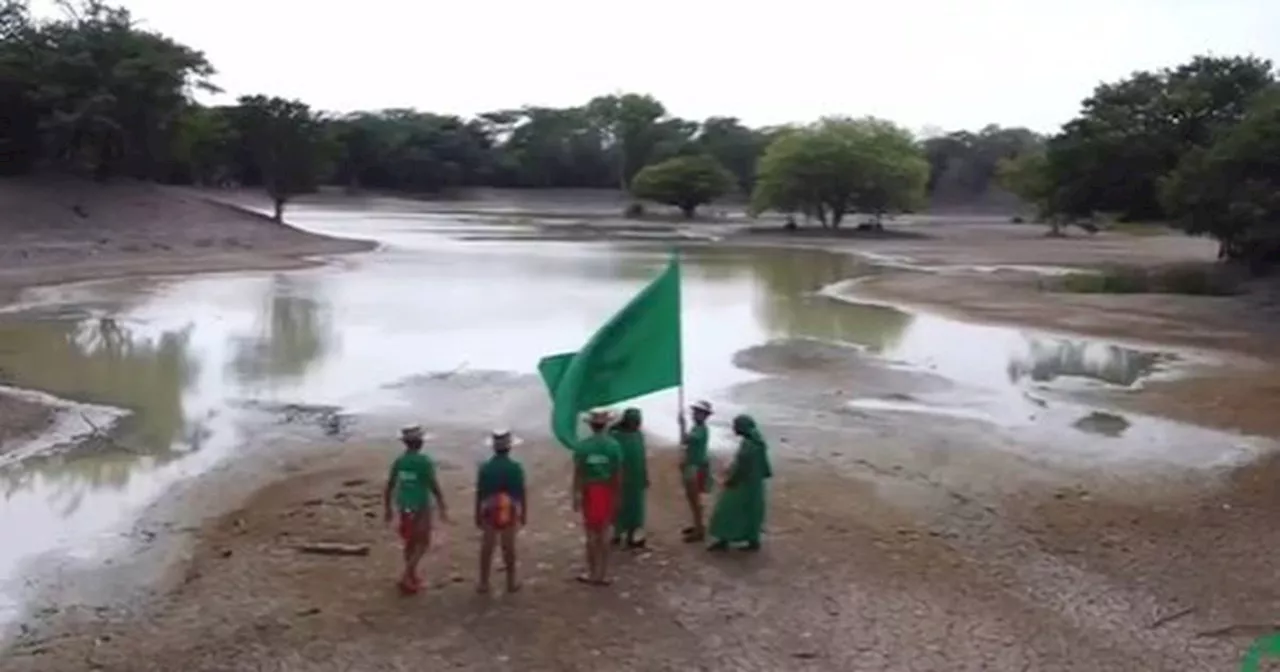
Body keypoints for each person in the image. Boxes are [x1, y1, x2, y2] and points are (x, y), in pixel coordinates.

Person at [383, 425, 449, 594]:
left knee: (410, 541)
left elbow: (390, 485)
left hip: (403, 504)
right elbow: (433, 485)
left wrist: (388, 508)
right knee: (423, 542)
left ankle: (412, 575)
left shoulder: (400, 461)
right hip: (420, 504)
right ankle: (406, 575)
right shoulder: (424, 461)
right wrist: (441, 504)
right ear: (420, 443)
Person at [707, 414, 772, 552]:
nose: (733, 428)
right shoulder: (756, 442)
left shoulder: (749, 445)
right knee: (751, 511)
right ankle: (752, 540)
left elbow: (742, 468)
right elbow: (764, 467)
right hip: (755, 484)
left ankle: (724, 538)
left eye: (736, 425)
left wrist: (731, 480)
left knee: (727, 510)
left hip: (743, 483)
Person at [572, 409, 622, 586]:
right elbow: (617, 474)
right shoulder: (614, 446)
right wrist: (617, 497)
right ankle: (603, 573)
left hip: (589, 491)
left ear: (591, 426)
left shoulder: (583, 446)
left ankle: (592, 572)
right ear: (606, 425)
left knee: (591, 534)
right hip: (607, 490)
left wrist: (576, 494)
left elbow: (578, 473)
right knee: (604, 532)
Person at [475, 429, 526, 594]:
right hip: (508, 507)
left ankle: (484, 582)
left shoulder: (486, 468)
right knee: (508, 546)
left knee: (487, 546)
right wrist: (523, 512)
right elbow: (520, 493)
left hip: (489, 507)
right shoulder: (515, 468)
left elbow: (480, 493)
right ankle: (510, 582)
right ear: (509, 447)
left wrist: (477, 513)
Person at [610, 408, 648, 549]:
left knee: (635, 508)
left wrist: (645, 476)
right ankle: (616, 534)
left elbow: (643, 458)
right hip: (621, 478)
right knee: (618, 507)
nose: (637, 424)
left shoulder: (639, 435)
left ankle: (632, 536)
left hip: (637, 478)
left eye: (638, 421)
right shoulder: (615, 436)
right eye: (634, 421)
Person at [678, 400, 714, 543]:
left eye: (698, 413)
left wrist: (682, 425)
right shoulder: (699, 428)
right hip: (694, 465)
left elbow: (685, 440)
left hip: (695, 467)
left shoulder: (700, 429)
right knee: (693, 499)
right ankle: (698, 525)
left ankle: (699, 529)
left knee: (694, 500)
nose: (695, 415)